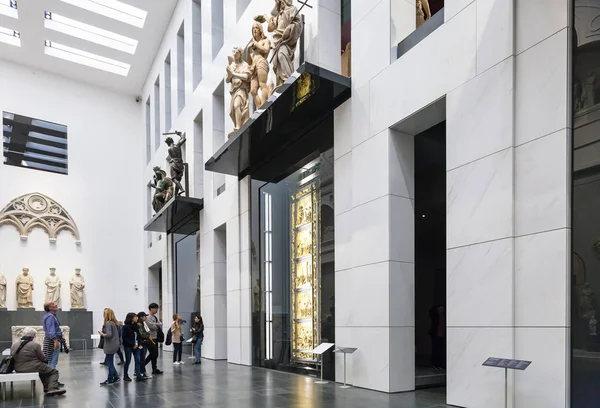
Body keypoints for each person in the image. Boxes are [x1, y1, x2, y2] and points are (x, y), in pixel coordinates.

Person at [11, 327, 66, 396]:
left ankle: (47, 387)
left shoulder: (14, 345)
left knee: (42, 369)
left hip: (18, 368)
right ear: (32, 337)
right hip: (33, 366)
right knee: (53, 372)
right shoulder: (35, 345)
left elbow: (12, 356)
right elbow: (42, 358)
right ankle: (52, 388)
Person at [99, 308, 120, 385]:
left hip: (110, 345)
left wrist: (102, 334)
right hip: (115, 344)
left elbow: (109, 335)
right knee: (110, 362)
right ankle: (116, 376)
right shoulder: (113, 323)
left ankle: (110, 379)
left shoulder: (108, 323)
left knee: (109, 363)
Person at [122, 312, 144, 382]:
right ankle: (125, 375)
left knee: (138, 360)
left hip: (136, 346)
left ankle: (138, 375)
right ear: (131, 318)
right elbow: (124, 337)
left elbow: (139, 336)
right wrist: (132, 344)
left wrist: (138, 344)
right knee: (128, 360)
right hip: (128, 346)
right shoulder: (125, 326)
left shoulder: (136, 326)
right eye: (135, 317)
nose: (136, 318)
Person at [42, 301, 62, 370]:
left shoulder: (50, 315)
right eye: (53, 304)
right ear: (49, 308)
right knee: (52, 361)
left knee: (51, 360)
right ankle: (51, 379)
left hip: (51, 340)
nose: (56, 304)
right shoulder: (50, 316)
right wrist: (55, 341)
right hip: (52, 341)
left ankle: (51, 379)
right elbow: (51, 330)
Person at [145, 303, 163, 375]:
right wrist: (156, 325)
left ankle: (154, 368)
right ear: (151, 309)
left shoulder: (155, 317)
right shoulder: (148, 318)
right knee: (153, 354)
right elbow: (151, 327)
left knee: (155, 354)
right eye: (155, 308)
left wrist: (156, 325)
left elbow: (159, 325)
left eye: (157, 308)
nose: (156, 310)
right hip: (150, 338)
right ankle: (142, 366)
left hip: (155, 337)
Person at [136, 311, 152, 379]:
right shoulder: (140, 324)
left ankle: (139, 371)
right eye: (144, 316)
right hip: (142, 342)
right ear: (141, 317)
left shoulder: (143, 323)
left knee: (141, 357)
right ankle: (142, 372)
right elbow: (142, 334)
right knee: (142, 358)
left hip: (142, 342)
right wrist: (148, 334)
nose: (146, 317)